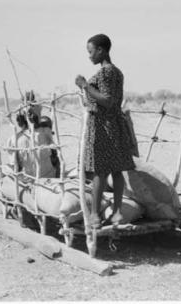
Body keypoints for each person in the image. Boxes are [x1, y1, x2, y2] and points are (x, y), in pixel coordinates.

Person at [75, 33, 137, 229]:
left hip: (103, 126)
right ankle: (117, 212)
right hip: (115, 124)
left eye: (91, 52)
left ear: (101, 50)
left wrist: (85, 85)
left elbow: (107, 100)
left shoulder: (105, 73)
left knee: (99, 172)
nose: (89, 56)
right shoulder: (117, 72)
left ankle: (94, 216)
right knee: (116, 170)